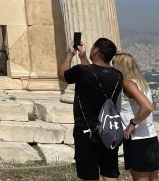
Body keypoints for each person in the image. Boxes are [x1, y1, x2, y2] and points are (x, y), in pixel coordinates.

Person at [58, 37, 123, 181]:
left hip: (86, 130)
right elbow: (93, 74)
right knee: (110, 173)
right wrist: (83, 57)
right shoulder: (118, 76)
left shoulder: (82, 71)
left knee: (89, 176)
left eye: (93, 47)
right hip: (109, 129)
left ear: (96, 50)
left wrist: (70, 53)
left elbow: (62, 75)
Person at [113, 52, 158, 181]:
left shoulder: (128, 83)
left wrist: (132, 124)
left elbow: (147, 107)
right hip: (150, 136)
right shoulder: (142, 83)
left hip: (136, 139)